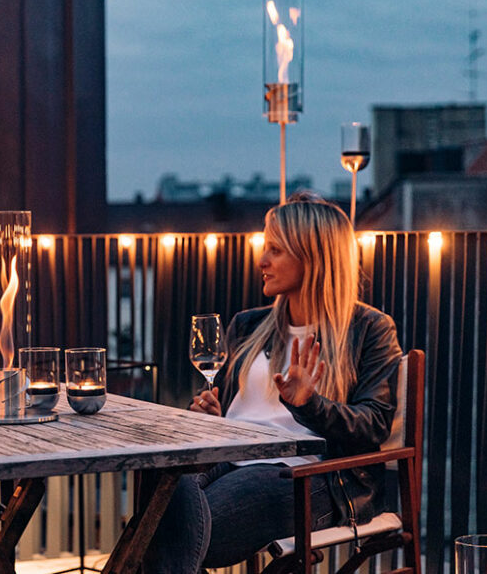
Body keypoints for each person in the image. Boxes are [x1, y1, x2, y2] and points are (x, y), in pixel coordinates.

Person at [143, 194, 403, 573]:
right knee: (159, 479)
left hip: (304, 474)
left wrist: (310, 404)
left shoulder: (369, 329)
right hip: (230, 457)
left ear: (313, 257)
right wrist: (210, 416)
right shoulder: (247, 325)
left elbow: (374, 424)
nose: (261, 260)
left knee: (171, 533)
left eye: (276, 250)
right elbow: (229, 410)